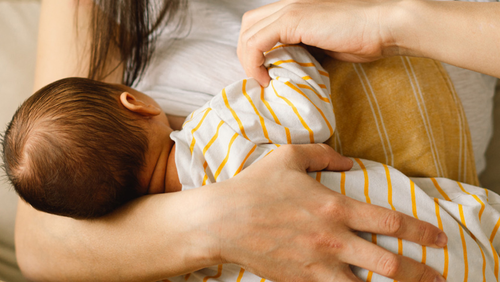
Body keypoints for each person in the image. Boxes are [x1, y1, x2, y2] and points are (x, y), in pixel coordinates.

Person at [14, 0, 497, 281]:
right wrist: (284, 48)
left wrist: (395, 23)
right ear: (135, 103)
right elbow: (42, 241)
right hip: (444, 230)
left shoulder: (180, 267)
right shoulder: (219, 126)